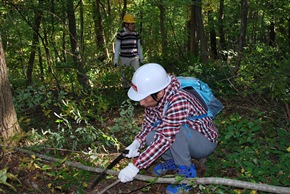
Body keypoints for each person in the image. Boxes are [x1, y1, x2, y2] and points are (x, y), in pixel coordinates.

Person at [118, 63, 219, 194]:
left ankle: (187, 176)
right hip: (184, 139)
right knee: (150, 136)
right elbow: (148, 126)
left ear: (159, 92)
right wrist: (136, 143)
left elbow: (166, 138)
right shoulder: (154, 100)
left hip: (204, 142)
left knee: (175, 132)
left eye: (144, 98)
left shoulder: (179, 100)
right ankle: (174, 161)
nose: (141, 103)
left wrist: (136, 165)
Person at [114, 13, 143, 87]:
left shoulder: (135, 33)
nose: (133, 25)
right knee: (125, 76)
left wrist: (141, 58)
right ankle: (126, 91)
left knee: (136, 75)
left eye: (133, 24)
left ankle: (136, 90)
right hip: (124, 58)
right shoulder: (120, 34)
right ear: (126, 25)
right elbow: (117, 47)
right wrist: (116, 60)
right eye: (131, 24)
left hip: (134, 58)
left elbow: (139, 46)